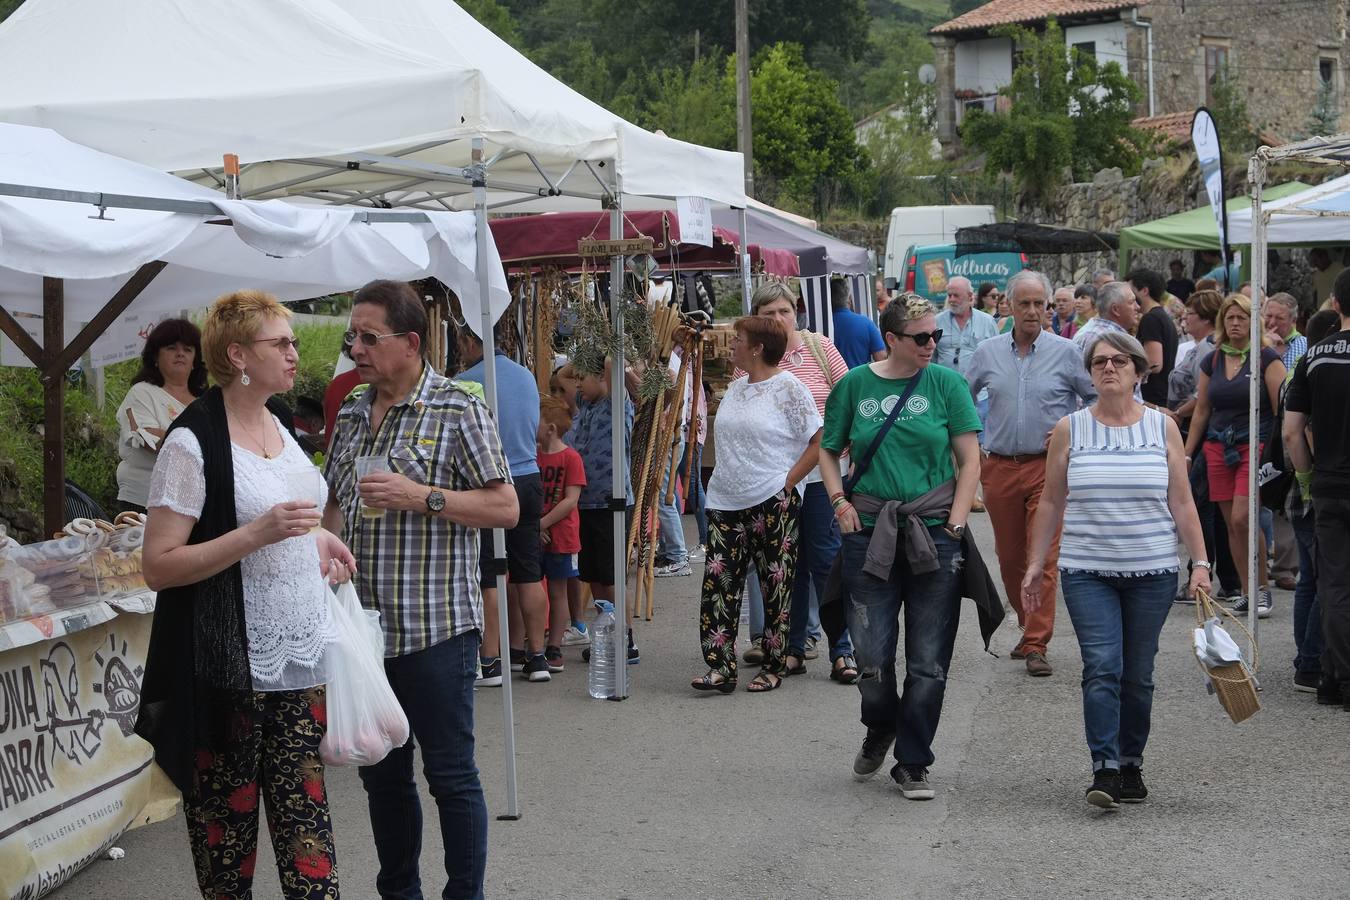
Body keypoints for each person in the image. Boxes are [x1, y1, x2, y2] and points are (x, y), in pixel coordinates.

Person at [137, 291, 356, 899]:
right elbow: (159, 565)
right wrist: (255, 535)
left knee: (307, 832)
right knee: (226, 845)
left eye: (291, 341)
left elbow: (288, 514)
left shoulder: (281, 421)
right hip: (227, 667)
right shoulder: (192, 442)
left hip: (298, 659)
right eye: (279, 343)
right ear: (237, 355)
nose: (293, 353)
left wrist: (316, 541)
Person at [323, 279, 518, 900]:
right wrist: (326, 562)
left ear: (410, 342)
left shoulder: (459, 408)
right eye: (353, 336)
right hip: (365, 631)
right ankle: (399, 892)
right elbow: (334, 504)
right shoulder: (352, 410)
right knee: (382, 780)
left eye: (369, 337)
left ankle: (465, 893)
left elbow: (506, 506)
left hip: (434, 628)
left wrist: (423, 497)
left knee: (451, 775)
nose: (357, 347)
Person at [1022, 330, 1209, 809]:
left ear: (1139, 372)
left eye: (1120, 362)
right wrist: (1035, 563)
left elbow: (1183, 502)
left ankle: (1131, 764)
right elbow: (1050, 502)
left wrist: (1201, 563)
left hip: (1152, 570)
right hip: (1088, 571)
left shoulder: (1163, 427)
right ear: (1089, 373)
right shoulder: (1070, 429)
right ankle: (1104, 768)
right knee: (1102, 667)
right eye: (1099, 362)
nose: (1108, 368)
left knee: (1139, 675)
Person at [820, 294, 982, 801]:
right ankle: (881, 723)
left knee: (930, 660)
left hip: (935, 532)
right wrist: (840, 503)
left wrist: (955, 526)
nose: (931, 344)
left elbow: (970, 461)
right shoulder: (853, 386)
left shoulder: (948, 385)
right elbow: (829, 451)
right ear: (891, 339)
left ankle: (913, 761)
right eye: (921, 337)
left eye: (936, 336)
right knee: (870, 656)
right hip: (868, 532)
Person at [966, 271, 1096, 678]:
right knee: (1009, 557)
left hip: (1048, 467)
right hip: (1000, 465)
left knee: (1045, 557)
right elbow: (963, 397)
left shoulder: (1067, 352)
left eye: (1040, 303)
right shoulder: (987, 352)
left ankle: (1038, 641)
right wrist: (969, 443)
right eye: (1025, 303)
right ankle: (1028, 624)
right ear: (1008, 306)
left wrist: (1071, 429)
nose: (1034, 311)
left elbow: (1094, 398)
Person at [691, 315, 821, 694]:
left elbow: (818, 440)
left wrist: (789, 482)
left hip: (771, 498)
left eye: (738, 339)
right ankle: (720, 667)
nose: (732, 345)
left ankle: (774, 665)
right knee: (718, 585)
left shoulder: (788, 388)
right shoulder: (734, 388)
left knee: (775, 585)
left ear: (758, 348)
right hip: (724, 499)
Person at [747, 283, 857, 682]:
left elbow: (848, 399)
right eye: (768, 313)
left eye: (784, 311)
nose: (777, 319)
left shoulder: (819, 349)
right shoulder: (752, 357)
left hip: (821, 474)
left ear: (797, 313)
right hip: (774, 477)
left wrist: (850, 450)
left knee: (827, 562)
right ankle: (794, 648)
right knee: (786, 564)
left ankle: (842, 650)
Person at [1183, 293, 1286, 618]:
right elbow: (1201, 410)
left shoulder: (1266, 359)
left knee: (1245, 518)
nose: (1236, 323)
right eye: (1230, 318)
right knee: (1230, 524)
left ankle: (1262, 589)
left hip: (1253, 448)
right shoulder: (1212, 360)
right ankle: (1246, 590)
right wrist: (1186, 454)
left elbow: (1280, 408)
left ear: (1252, 322)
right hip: (1217, 447)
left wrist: (1278, 453)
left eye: (1241, 317)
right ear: (1222, 323)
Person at [455, 326, 547, 683]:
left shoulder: (463, 382)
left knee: (490, 575)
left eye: (461, 342)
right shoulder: (526, 376)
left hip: (491, 481)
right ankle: (537, 656)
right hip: (529, 477)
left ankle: (490, 660)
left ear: (469, 341)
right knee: (529, 571)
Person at [565, 358, 639, 662]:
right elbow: (563, 375)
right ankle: (607, 634)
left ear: (604, 379)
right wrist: (582, 360)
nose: (578, 383)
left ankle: (626, 639)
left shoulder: (615, 405)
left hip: (612, 502)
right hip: (586, 502)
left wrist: (601, 357)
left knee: (612, 578)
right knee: (594, 575)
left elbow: (610, 362)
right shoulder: (587, 405)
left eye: (584, 377)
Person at [114, 318, 208, 512]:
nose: (180, 353)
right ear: (155, 357)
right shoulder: (141, 393)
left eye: (188, 349)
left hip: (193, 502)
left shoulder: (206, 402)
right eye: (171, 348)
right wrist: (205, 442)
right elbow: (147, 439)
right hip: (143, 501)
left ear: (194, 362)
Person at [537, 396, 586, 672]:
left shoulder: (571, 458)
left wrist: (542, 524)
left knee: (558, 591)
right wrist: (536, 526)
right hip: (538, 532)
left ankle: (554, 646)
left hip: (563, 537)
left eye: (538, 420)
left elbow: (570, 500)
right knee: (534, 586)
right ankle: (534, 643)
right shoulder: (533, 455)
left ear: (551, 428)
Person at [1127, 268, 1179, 410]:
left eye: (1131, 291)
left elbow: (1154, 363)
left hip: (1154, 397)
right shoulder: (1162, 317)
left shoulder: (1151, 319)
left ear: (1144, 290)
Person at [830, 277, 887, 368]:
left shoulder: (818, 327)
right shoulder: (866, 323)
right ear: (849, 299)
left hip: (829, 381)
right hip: (860, 380)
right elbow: (881, 358)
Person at [1072, 281, 1139, 350]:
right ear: (1115, 309)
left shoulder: (1102, 333)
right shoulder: (1101, 338)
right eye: (1131, 302)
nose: (1137, 307)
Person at [1264, 292, 1307, 372]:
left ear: (1293, 321)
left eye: (1279, 318)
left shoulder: (1306, 346)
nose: (1272, 322)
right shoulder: (1253, 344)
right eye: (1269, 316)